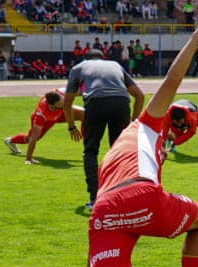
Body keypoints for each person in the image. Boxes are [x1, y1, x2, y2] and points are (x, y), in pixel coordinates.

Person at [42, 7, 198, 267]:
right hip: (138, 196)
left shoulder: (120, 148)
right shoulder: (147, 123)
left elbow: (116, 206)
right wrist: (197, 38)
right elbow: (171, 82)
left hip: (104, 208)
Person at [61, 47, 145, 212]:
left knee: (91, 151)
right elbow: (140, 96)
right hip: (121, 103)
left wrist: (71, 126)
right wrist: (133, 122)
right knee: (120, 152)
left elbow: (67, 101)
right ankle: (122, 196)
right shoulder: (115, 65)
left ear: (86, 58)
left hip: (96, 104)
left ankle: (94, 198)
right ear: (103, 57)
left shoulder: (79, 68)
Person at [5, 90, 85, 164]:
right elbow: (34, 137)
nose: (64, 103)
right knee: (32, 138)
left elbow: (77, 91)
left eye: (63, 100)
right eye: (61, 104)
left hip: (60, 113)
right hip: (48, 120)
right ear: (52, 106)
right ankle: (10, 140)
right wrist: (28, 159)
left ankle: (88, 149)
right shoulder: (42, 114)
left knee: (86, 115)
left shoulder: (60, 93)